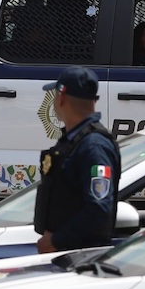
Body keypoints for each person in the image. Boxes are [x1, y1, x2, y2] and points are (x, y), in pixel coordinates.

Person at [33, 66, 121, 254]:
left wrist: (57, 240)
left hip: (80, 256)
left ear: (61, 98)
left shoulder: (93, 146)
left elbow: (99, 208)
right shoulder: (75, 140)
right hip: (67, 252)